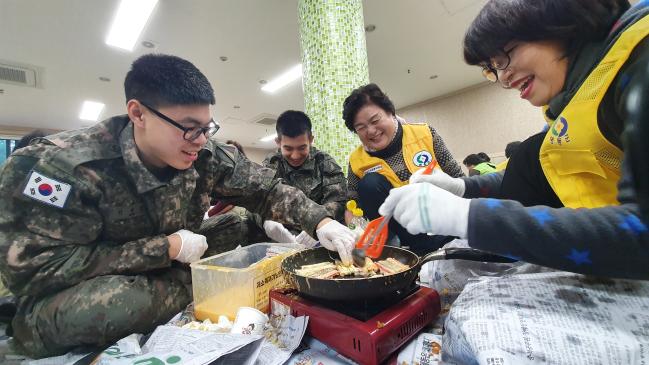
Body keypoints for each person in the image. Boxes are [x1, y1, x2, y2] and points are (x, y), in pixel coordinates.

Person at [0, 54, 355, 358]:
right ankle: (197, 287)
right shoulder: (59, 167)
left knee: (245, 222)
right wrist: (163, 248)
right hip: (80, 290)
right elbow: (35, 271)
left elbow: (265, 189)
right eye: (188, 128)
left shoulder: (204, 152)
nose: (200, 141)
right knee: (120, 306)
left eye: (206, 127)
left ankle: (196, 284)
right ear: (138, 113)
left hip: (175, 261)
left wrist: (321, 222)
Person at [379, 0, 649, 279]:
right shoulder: (570, 105)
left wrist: (469, 217)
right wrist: (460, 188)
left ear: (557, 20)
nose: (504, 79)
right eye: (493, 69)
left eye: (504, 57)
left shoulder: (640, 64)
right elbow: (538, 171)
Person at [343, 83, 464, 254]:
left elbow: (459, 177)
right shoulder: (357, 160)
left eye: (375, 120)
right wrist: (355, 229)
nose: (371, 131)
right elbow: (351, 206)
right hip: (403, 235)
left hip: (442, 221)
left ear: (391, 113)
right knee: (370, 183)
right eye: (361, 127)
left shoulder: (424, 134)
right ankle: (398, 248)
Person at [202, 110, 348, 248]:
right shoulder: (272, 162)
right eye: (288, 149)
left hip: (319, 235)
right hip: (280, 238)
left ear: (310, 140)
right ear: (278, 142)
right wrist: (266, 222)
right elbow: (254, 198)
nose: (295, 155)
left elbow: (339, 201)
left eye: (302, 148)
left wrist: (319, 222)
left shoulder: (324, 162)